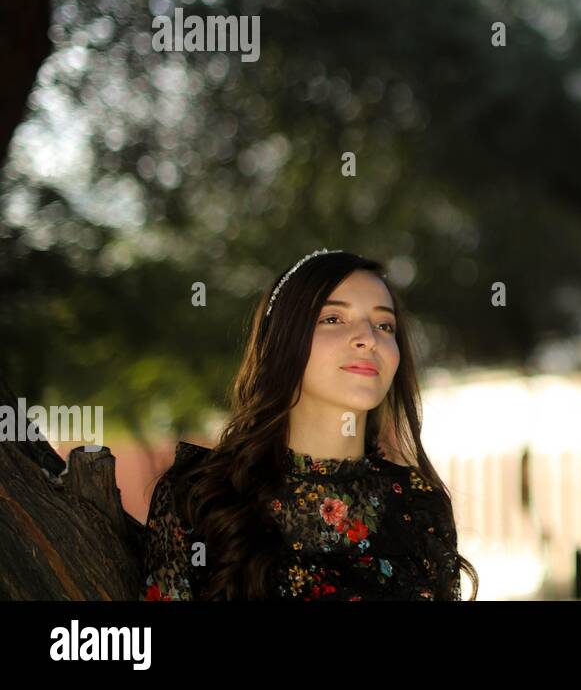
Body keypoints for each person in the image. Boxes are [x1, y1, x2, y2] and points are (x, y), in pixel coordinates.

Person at [141, 249, 478, 600]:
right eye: (333, 318)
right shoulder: (201, 496)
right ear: (283, 340)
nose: (368, 338)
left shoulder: (421, 504)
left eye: (384, 325)